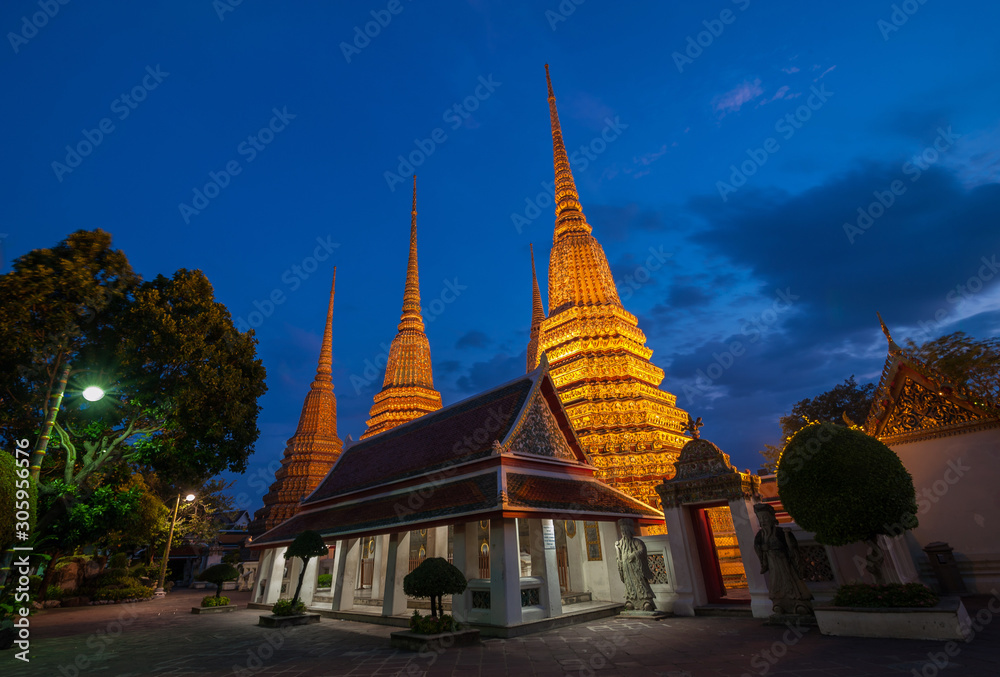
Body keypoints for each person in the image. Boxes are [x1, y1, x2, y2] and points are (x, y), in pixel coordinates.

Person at [753, 503, 813, 615]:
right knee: (776, 582)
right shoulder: (761, 536)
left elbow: (791, 548)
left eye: (765, 518)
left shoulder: (781, 533)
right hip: (772, 563)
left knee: (790, 580)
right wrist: (762, 549)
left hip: (784, 561)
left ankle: (799, 603)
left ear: (771, 518)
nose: (763, 521)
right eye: (761, 518)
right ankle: (779, 603)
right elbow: (757, 547)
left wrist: (788, 542)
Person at [615, 519, 656, 611]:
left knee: (640, 584)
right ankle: (631, 601)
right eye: (622, 532)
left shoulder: (637, 542)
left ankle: (646, 602)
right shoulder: (620, 544)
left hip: (636, 568)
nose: (624, 534)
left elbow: (642, 550)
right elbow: (619, 556)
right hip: (627, 570)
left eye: (625, 531)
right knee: (629, 585)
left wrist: (634, 554)